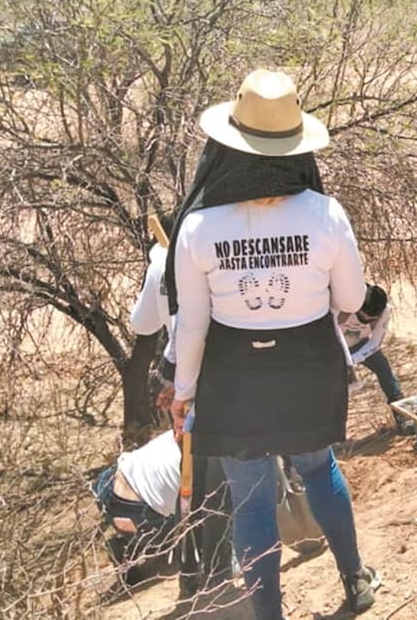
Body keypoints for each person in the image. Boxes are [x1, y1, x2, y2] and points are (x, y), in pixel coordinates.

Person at [169, 69, 380, 618]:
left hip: (233, 376)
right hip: (308, 366)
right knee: (318, 468)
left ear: (227, 146)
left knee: (252, 500)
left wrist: (183, 391)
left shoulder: (198, 227)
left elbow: (192, 323)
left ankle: (269, 613)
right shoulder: (325, 214)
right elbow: (353, 296)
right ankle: (355, 580)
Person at [129, 225, 235, 601]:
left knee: (190, 478)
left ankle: (191, 572)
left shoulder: (162, 263)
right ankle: (217, 569)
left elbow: (141, 324)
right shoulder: (210, 251)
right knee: (215, 479)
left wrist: (153, 274)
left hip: (178, 381)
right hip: (211, 379)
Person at [92, 429, 181, 586]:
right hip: (140, 511)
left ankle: (128, 542)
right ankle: (129, 545)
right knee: (190, 525)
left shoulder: (185, 421)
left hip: (107, 483)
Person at [337, 283, 408, 431]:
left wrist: (353, 360)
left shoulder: (385, 312)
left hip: (359, 345)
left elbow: (376, 342)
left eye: (369, 320)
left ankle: (402, 415)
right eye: (360, 317)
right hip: (334, 346)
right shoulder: (342, 301)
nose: (364, 321)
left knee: (383, 367)